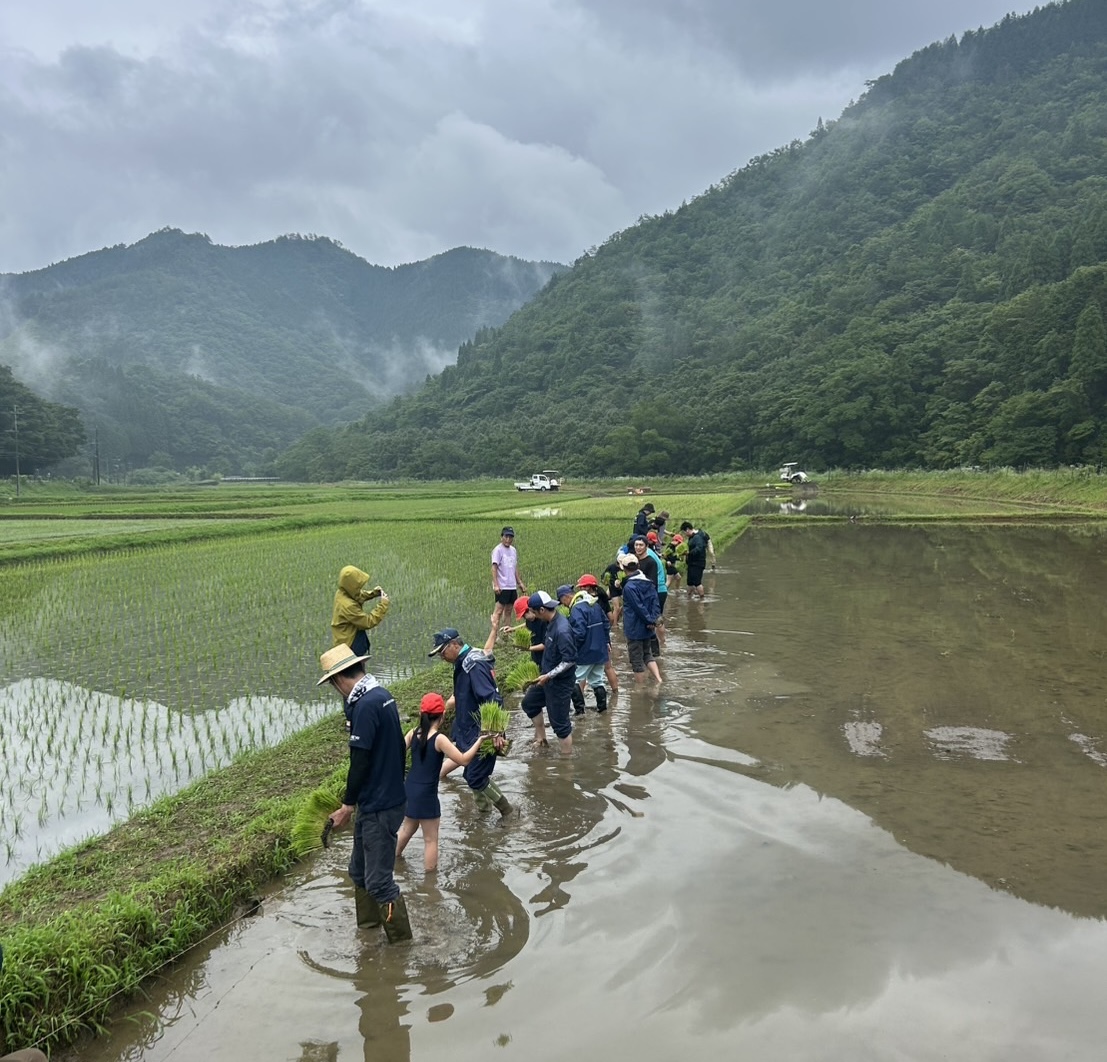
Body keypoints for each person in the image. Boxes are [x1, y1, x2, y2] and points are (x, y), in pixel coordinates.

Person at [316, 644, 412, 943]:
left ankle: (402, 948)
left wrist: (347, 805)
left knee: (380, 883)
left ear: (337, 680)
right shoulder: (380, 695)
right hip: (379, 799)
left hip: (380, 806)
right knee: (358, 873)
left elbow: (359, 761)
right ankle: (368, 933)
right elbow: (396, 747)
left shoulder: (366, 705)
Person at [396, 692, 486, 871]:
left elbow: (396, 752)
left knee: (407, 830)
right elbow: (463, 760)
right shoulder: (439, 739)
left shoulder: (413, 733)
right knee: (430, 840)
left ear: (421, 714)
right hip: (427, 794)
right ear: (443, 715)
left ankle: (391, 862)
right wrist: (480, 740)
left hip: (409, 789)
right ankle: (430, 880)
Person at [428, 629, 513, 817]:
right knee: (470, 774)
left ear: (454, 645)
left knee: (476, 776)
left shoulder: (473, 664)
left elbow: (492, 698)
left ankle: (509, 812)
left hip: (482, 731)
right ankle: (484, 813)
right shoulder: (463, 661)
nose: (442, 656)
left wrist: (496, 732)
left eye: (443, 651)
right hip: (469, 729)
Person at [525, 590, 577, 754]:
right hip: (547, 678)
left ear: (542, 610)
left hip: (559, 683)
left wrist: (548, 675)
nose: (533, 615)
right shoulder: (550, 623)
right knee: (529, 703)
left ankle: (566, 761)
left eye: (534, 612)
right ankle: (542, 739)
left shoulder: (562, 630)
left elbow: (569, 660)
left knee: (560, 724)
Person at [569, 574, 611, 712]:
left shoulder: (578, 609)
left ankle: (580, 712)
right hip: (600, 651)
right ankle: (602, 710)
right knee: (597, 681)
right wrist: (607, 642)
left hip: (585, 653)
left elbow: (579, 633)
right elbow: (606, 624)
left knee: (574, 680)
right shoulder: (596, 606)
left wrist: (572, 648)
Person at [330, 565, 390, 657]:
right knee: (356, 664)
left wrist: (373, 593)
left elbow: (358, 595)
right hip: (350, 644)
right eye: (357, 587)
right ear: (351, 586)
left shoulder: (342, 592)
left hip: (345, 637)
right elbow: (368, 622)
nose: (359, 589)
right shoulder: (348, 605)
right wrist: (383, 605)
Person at [620, 554, 662, 684]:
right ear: (638, 566)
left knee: (636, 660)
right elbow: (655, 602)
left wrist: (648, 620)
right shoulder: (648, 582)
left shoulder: (629, 587)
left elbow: (638, 607)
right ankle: (659, 679)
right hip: (648, 627)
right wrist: (653, 621)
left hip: (634, 628)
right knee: (647, 654)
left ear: (624, 569)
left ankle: (640, 689)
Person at [490, 527, 527, 640]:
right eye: (506, 536)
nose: (508, 539)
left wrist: (520, 583)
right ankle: (494, 636)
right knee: (498, 611)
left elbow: (514, 568)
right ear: (501, 537)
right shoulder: (498, 550)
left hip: (512, 586)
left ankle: (506, 634)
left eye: (510, 537)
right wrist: (496, 585)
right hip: (502, 586)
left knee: (509, 611)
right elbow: (494, 568)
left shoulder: (513, 550)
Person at [680, 520, 717, 599]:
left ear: (687, 529)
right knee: (690, 582)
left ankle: (702, 600)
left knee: (697, 583)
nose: (684, 535)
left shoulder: (697, 538)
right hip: (691, 563)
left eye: (684, 532)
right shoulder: (691, 538)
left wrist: (689, 553)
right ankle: (688, 598)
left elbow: (699, 548)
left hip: (697, 563)